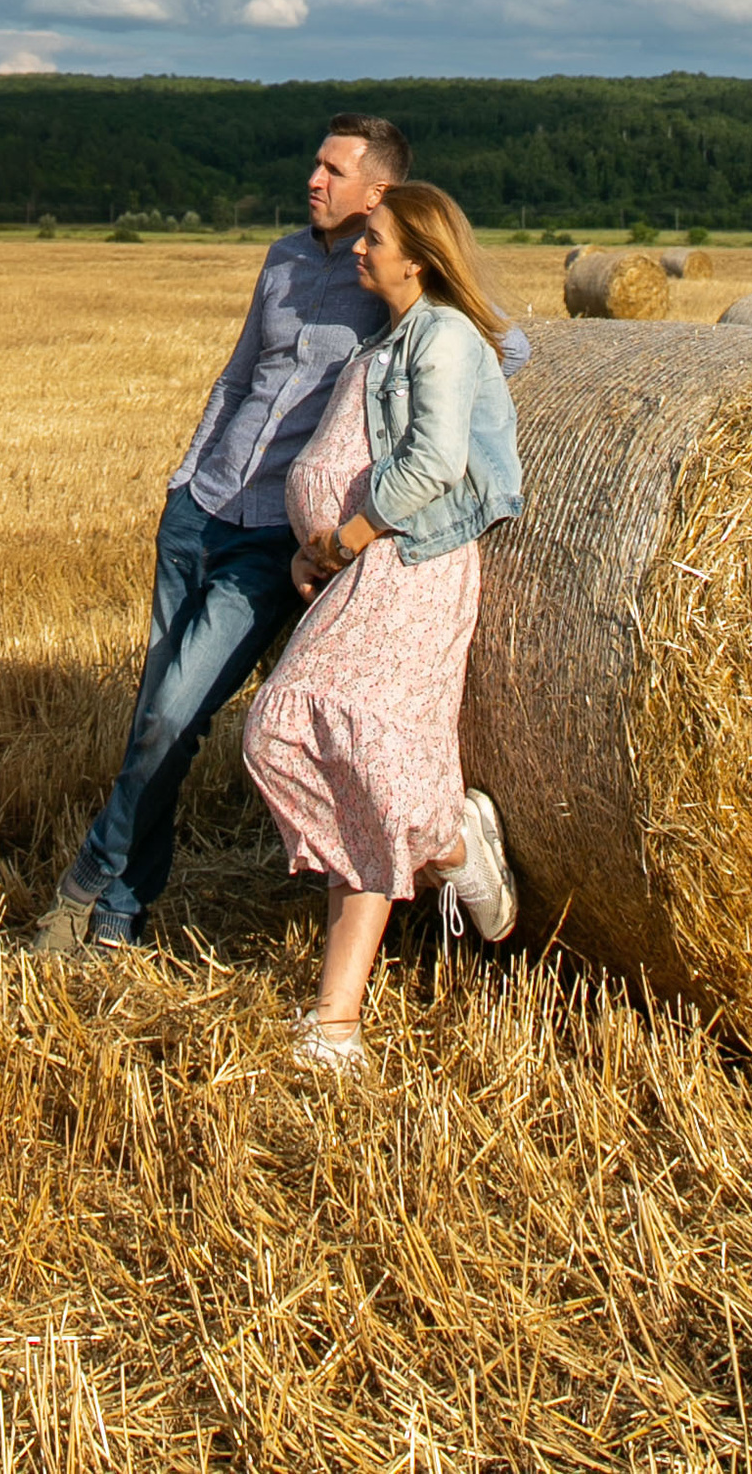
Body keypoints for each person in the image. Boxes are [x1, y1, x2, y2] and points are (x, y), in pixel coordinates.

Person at [27, 113, 413, 956]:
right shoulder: (280, 260)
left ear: (377, 190)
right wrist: (182, 481)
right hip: (200, 508)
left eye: (333, 170)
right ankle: (125, 913)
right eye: (314, 164)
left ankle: (81, 885)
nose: (313, 180)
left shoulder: (389, 282)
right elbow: (237, 377)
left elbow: (506, 344)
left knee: (173, 716)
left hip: (273, 540)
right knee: (153, 721)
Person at [240, 178, 524, 1071]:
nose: (357, 249)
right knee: (293, 739)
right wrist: (310, 549)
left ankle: (339, 1016)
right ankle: (438, 850)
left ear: (419, 256)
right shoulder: (392, 336)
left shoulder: (440, 334)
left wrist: (350, 535)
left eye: (375, 239)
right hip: (357, 569)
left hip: (412, 564)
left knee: (331, 732)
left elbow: (436, 460)